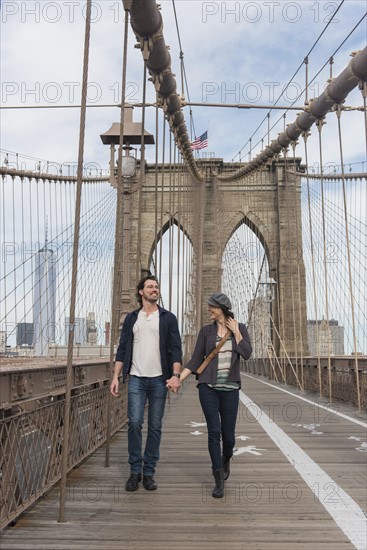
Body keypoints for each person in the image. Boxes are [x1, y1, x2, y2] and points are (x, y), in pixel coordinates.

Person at [167, 292, 252, 498]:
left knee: (229, 437)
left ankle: (226, 458)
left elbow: (247, 354)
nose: (208, 310)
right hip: (208, 388)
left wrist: (236, 333)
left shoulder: (240, 329)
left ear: (221, 308)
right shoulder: (206, 331)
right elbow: (196, 360)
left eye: (211, 307)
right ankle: (218, 477)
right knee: (214, 432)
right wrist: (178, 378)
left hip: (230, 389)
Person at [110, 275, 182, 492]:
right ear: (140, 292)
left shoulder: (168, 318)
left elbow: (176, 349)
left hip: (160, 379)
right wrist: (115, 376)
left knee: (155, 426)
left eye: (156, 287)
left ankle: (149, 472)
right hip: (136, 379)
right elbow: (122, 349)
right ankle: (135, 471)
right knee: (134, 422)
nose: (154, 289)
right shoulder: (132, 319)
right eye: (150, 286)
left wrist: (176, 375)